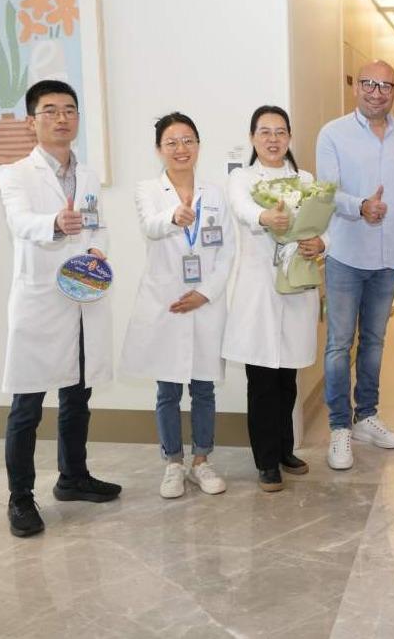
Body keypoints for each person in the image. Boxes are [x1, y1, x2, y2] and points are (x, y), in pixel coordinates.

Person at [0, 79, 121, 538]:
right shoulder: (15, 173)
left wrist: (99, 248)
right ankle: (20, 498)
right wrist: (54, 221)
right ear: (31, 122)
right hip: (39, 300)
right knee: (27, 404)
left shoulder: (87, 175)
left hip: (82, 296)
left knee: (77, 395)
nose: (61, 118)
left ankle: (73, 477)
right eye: (50, 110)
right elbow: (19, 221)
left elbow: (97, 225)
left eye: (69, 109)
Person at [121, 112, 235, 498]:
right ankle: (173, 462)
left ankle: (201, 461)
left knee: (203, 387)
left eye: (188, 140)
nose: (181, 148)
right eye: (171, 142)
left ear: (198, 146)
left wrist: (207, 292)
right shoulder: (147, 190)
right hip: (166, 302)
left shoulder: (215, 194)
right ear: (159, 149)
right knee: (167, 389)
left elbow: (228, 251)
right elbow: (150, 225)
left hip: (204, 303)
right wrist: (173, 215)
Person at [315, 60, 394, 470]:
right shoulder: (333, 133)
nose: (377, 92)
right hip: (346, 253)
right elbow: (327, 192)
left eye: (385, 86)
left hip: (388, 255)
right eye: (369, 84)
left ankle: (366, 416)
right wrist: (360, 206)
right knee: (340, 344)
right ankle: (339, 427)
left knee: (375, 341)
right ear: (356, 87)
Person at [223, 105, 326, 492]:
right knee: (262, 379)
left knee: (288, 378)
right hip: (259, 293)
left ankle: (285, 449)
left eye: (280, 132)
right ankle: (266, 461)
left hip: (296, 289)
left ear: (289, 137)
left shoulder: (305, 178)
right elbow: (242, 208)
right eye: (264, 132)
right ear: (252, 138)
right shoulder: (243, 179)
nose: (272, 139)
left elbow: (323, 223)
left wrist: (320, 243)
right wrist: (264, 217)